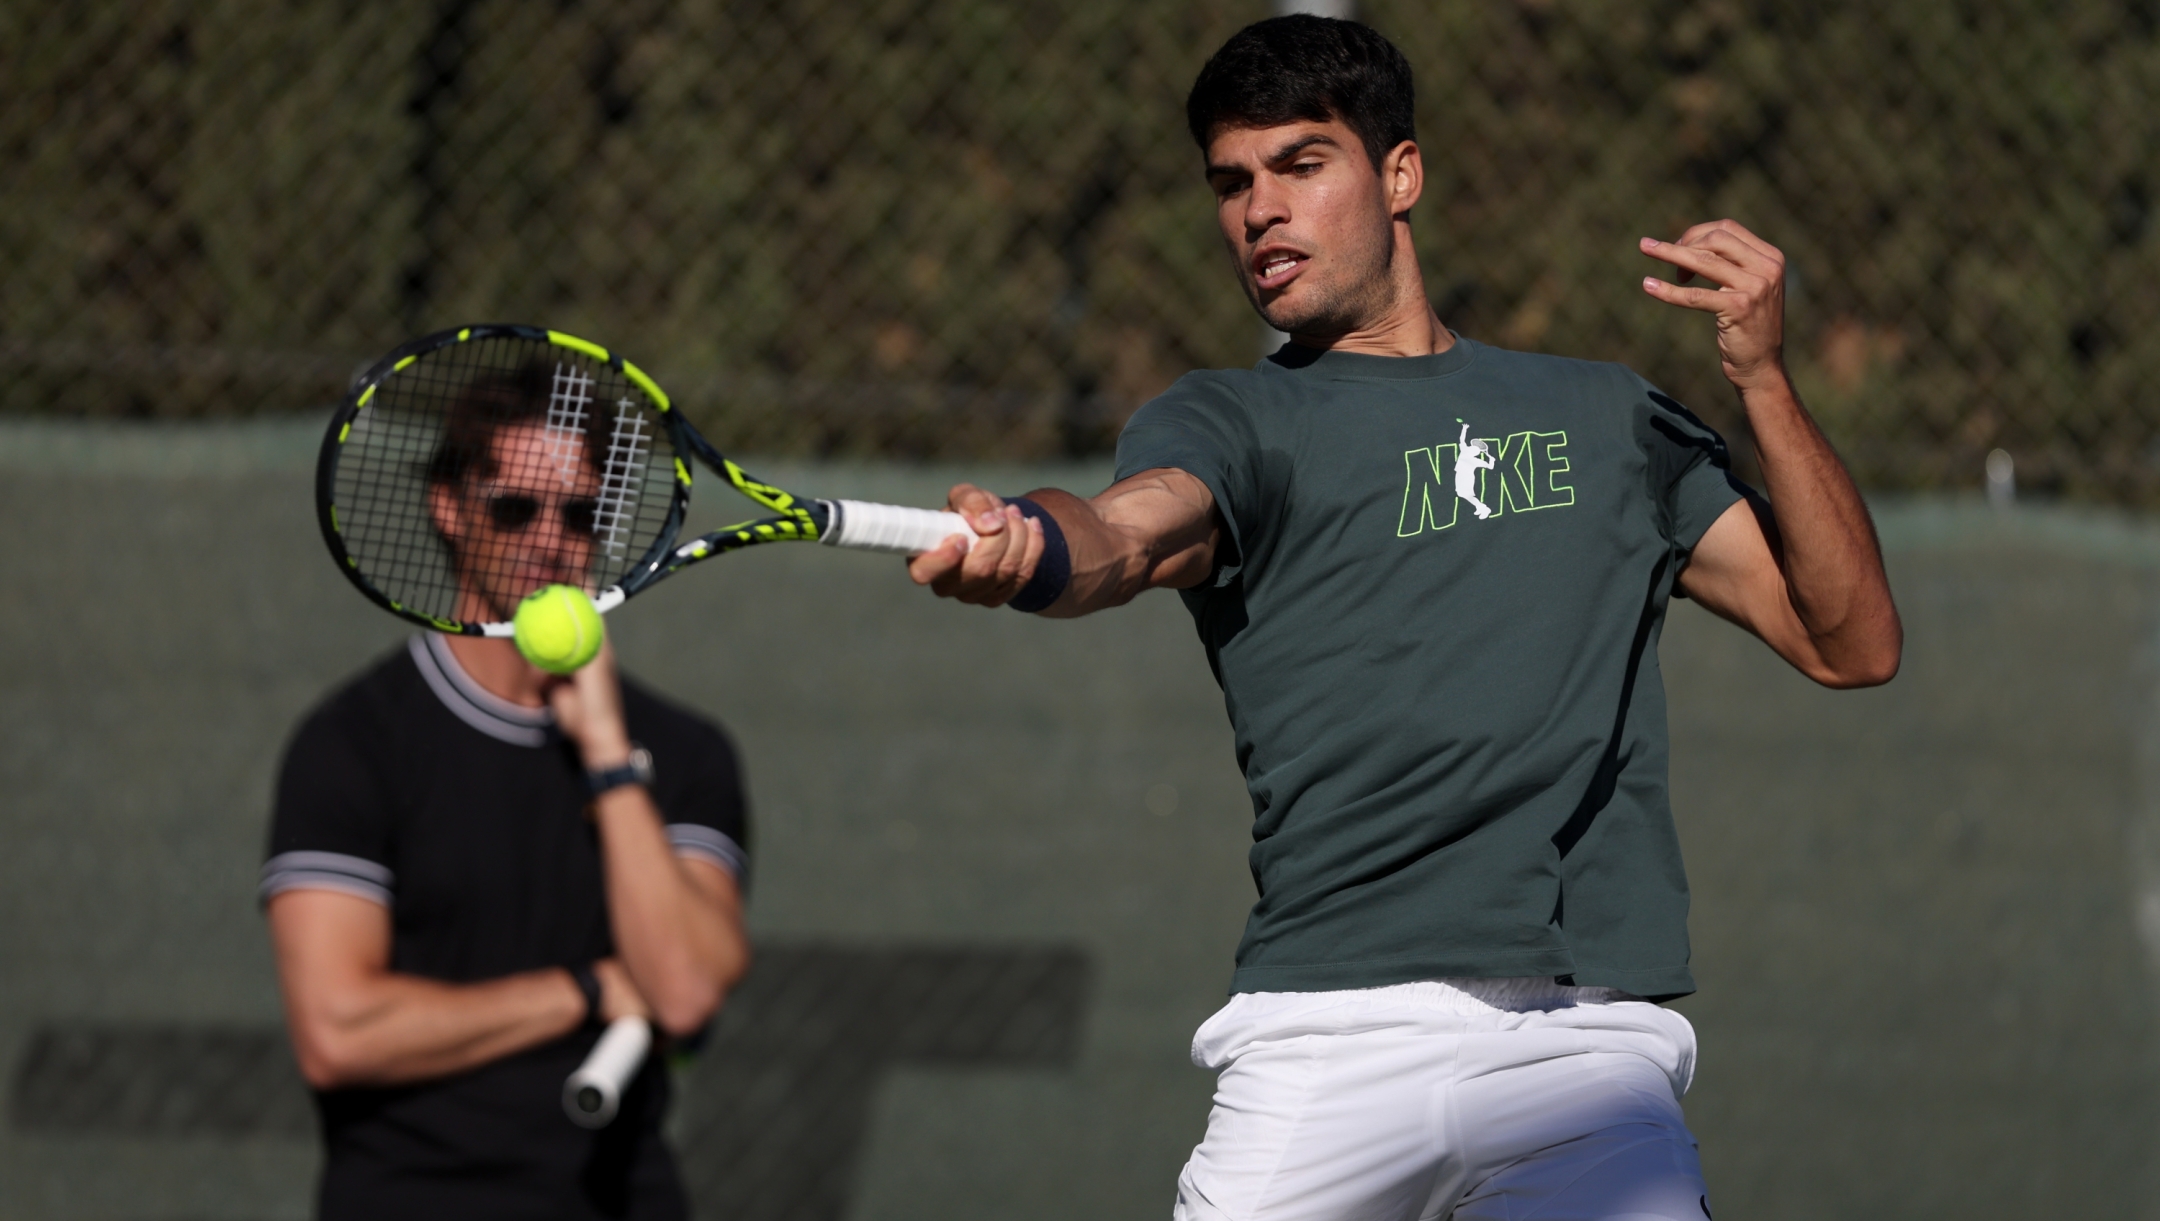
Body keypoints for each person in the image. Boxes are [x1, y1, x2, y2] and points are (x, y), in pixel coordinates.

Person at [907, 15, 1900, 1221]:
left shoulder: (1607, 418)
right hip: (1323, 1039)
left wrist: (1762, 379)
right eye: (1231, 184)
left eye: (1300, 165)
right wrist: (1036, 545)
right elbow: (1129, 529)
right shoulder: (1232, 422)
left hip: (1584, 1053)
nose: (1258, 211)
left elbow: (1850, 642)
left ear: (1401, 175)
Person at [262, 364, 752, 1220]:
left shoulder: (684, 752)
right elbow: (337, 1032)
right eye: (514, 506)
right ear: (450, 508)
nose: (549, 539)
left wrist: (605, 753)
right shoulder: (351, 744)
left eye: (581, 512)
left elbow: (681, 990)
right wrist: (590, 989)